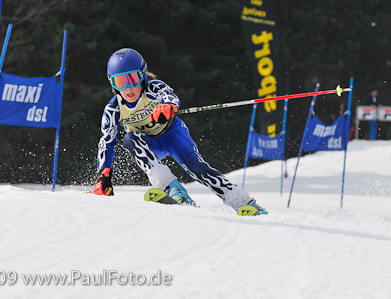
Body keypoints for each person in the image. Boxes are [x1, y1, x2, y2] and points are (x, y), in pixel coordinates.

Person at [92, 48, 267, 216]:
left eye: (133, 79)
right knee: (130, 139)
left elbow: (169, 96)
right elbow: (107, 141)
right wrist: (103, 176)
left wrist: (167, 107)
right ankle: (171, 187)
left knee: (197, 168)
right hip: (150, 145)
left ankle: (244, 202)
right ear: (112, 84)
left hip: (172, 135)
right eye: (120, 82)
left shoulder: (153, 88)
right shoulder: (114, 109)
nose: (128, 88)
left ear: (143, 75)